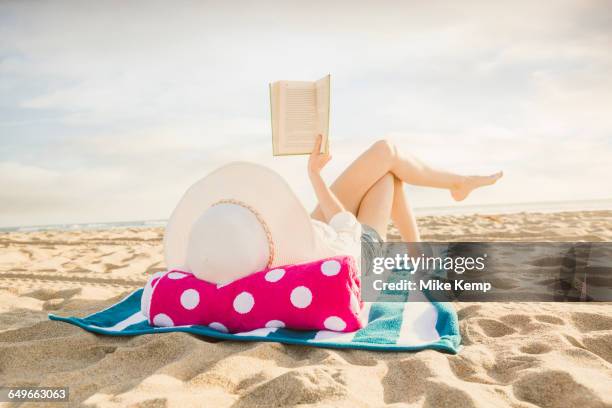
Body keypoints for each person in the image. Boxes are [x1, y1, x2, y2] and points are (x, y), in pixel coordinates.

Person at [307, 135, 502, 267]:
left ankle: (417, 251)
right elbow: (341, 221)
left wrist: (315, 174)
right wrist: (314, 174)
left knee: (387, 167)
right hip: (347, 256)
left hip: (318, 244)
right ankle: (459, 184)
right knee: (386, 154)